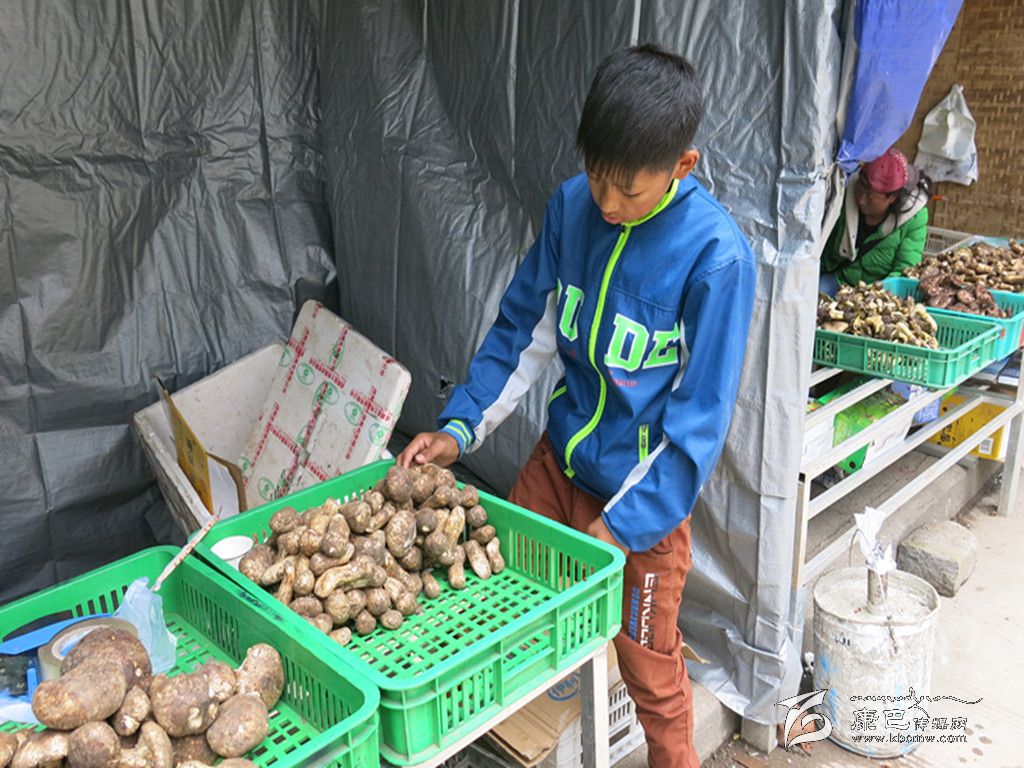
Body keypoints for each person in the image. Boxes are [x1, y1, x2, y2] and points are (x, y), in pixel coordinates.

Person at [397, 44, 756, 768]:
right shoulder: (571, 207)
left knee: (649, 666)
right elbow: (521, 330)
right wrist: (460, 426)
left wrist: (621, 526)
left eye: (628, 189)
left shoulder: (717, 258)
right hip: (556, 467)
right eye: (596, 175)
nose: (607, 203)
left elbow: (698, 427)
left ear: (682, 166)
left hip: (642, 502)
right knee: (498, 603)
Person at [819, 147, 932, 294]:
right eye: (860, 188)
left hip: (878, 290)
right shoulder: (844, 193)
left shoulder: (914, 219)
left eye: (870, 197)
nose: (861, 200)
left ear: (892, 197)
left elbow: (904, 271)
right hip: (840, 279)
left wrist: (872, 296)